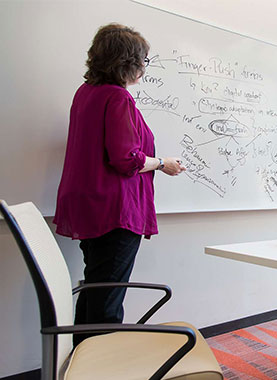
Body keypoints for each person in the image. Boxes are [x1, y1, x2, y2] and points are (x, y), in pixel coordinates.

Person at [53, 23, 186, 346]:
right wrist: (162, 163)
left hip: (89, 205)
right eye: (143, 60)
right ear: (128, 62)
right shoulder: (117, 98)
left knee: (95, 289)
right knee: (108, 299)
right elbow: (126, 159)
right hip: (114, 210)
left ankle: (82, 361)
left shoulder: (86, 93)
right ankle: (102, 363)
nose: (144, 67)